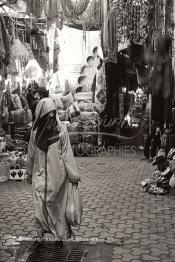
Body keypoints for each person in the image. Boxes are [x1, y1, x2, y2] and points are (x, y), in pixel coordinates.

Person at [26, 98, 80, 244]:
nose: (50, 117)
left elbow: (67, 153)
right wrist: (29, 172)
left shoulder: (61, 130)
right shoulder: (35, 132)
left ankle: (60, 233)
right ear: (41, 116)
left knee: (55, 206)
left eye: (52, 113)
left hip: (58, 178)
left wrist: (73, 175)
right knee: (40, 204)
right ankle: (44, 231)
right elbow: (31, 153)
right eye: (47, 114)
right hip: (39, 176)